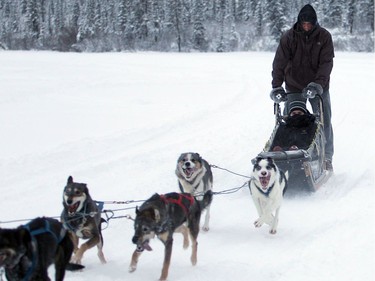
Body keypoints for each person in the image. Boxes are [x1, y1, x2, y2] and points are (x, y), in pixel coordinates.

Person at [269, 4, 334, 171]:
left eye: (309, 24)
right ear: (299, 22)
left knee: (323, 121)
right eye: (303, 23)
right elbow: (279, 63)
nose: (306, 26)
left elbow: (326, 64)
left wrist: (317, 85)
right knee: (288, 120)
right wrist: (277, 86)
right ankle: (284, 154)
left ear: (314, 23)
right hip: (294, 85)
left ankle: (326, 157)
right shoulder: (289, 37)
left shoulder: (324, 36)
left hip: (318, 87)